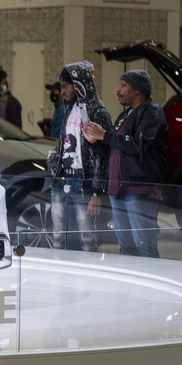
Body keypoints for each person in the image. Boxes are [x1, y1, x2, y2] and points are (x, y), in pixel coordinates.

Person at [83, 69, 168, 258]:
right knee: (126, 247)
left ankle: (150, 285)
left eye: (123, 85)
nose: (118, 90)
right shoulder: (124, 115)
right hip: (118, 189)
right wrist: (95, 142)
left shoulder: (152, 113)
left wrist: (105, 135)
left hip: (139, 189)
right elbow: (113, 150)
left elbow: (140, 144)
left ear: (138, 90)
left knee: (144, 244)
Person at [46, 61, 112, 251]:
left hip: (83, 183)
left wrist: (97, 192)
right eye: (61, 87)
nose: (62, 92)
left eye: (65, 86)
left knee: (87, 238)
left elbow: (103, 154)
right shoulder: (68, 109)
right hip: (61, 180)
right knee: (58, 236)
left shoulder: (96, 111)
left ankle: (89, 277)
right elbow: (64, 142)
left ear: (78, 85)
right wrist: (53, 163)